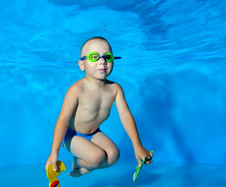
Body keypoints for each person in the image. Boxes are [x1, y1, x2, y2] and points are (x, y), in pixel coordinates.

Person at [45, 36, 153, 177]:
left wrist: (137, 145)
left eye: (107, 56)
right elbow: (63, 120)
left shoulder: (115, 89)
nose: (102, 61)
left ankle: (81, 166)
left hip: (94, 133)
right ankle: (78, 162)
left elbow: (125, 116)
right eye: (94, 56)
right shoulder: (77, 89)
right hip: (71, 134)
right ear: (82, 64)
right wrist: (54, 153)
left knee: (114, 156)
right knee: (97, 157)